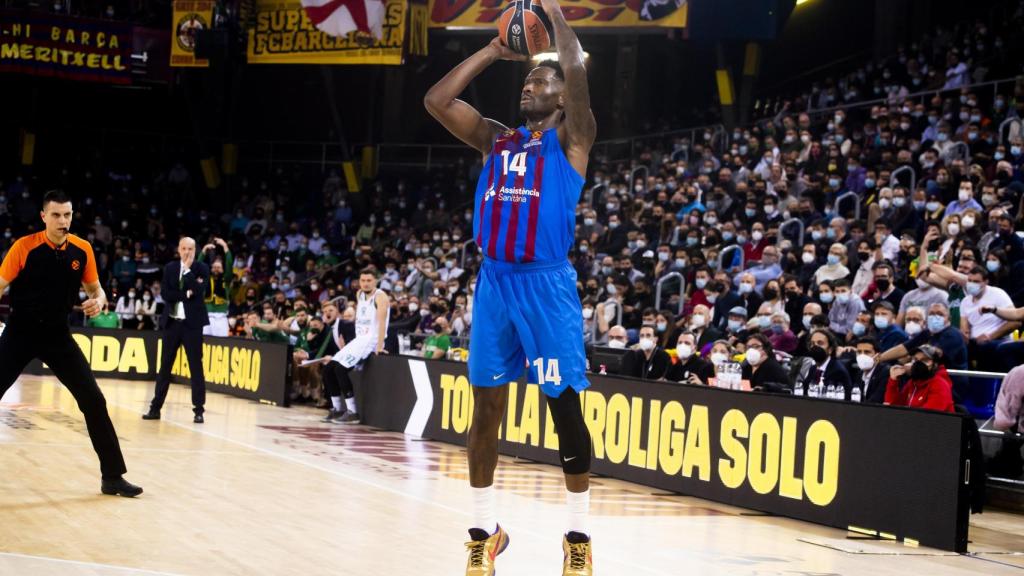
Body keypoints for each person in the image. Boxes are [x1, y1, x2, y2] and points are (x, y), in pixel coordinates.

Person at [424, 3, 597, 571]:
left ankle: (577, 541)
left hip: (546, 287)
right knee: (485, 411)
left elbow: (574, 66)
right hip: (496, 283)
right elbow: (437, 101)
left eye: (541, 79)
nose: (531, 83)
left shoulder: (574, 140)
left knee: (564, 409)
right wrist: (493, 50)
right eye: (527, 77)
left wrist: (549, 11)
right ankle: (483, 532)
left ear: (562, 97)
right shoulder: (497, 140)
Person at [0, 190, 142, 496]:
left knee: (94, 400)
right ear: (43, 217)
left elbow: (96, 290)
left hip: (57, 336)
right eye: (56, 215)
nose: (63, 220)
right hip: (19, 333)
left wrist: (99, 301)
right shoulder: (24, 247)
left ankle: (113, 476)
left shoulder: (82, 250)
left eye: (67, 214)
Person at [143, 237, 210, 424]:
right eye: (183, 248)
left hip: (192, 326)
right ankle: (155, 409)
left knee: (196, 368)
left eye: (190, 248)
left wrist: (188, 272)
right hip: (172, 324)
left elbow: (198, 290)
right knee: (164, 367)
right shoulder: (170, 268)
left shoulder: (201, 268)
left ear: (195, 250)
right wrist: (185, 294)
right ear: (178, 249)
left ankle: (198, 410)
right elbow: (166, 294)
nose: (187, 252)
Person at [323, 269, 390, 424]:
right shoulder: (359, 293)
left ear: (376, 281)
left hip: (370, 340)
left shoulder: (380, 297)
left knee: (340, 369)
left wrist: (379, 346)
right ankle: (336, 408)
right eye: (363, 280)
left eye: (369, 280)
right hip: (359, 339)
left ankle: (353, 412)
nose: (365, 283)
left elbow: (381, 323)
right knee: (328, 369)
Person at [885, 344, 955, 413]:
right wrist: (893, 381)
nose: (919, 363)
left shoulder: (940, 385)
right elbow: (893, 407)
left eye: (925, 360)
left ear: (935, 364)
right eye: (915, 359)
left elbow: (928, 416)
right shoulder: (913, 382)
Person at [797, 328, 852, 398]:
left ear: (830, 349)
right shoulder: (813, 368)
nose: (815, 346)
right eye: (812, 343)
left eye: (820, 343)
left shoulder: (838, 371)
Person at [199, 237, 233, 337]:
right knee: (204, 343)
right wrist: (204, 250)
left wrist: (225, 246)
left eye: (219, 267)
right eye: (214, 267)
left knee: (222, 343)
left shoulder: (226, 280)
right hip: (206, 315)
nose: (216, 269)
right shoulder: (206, 279)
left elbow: (229, 264)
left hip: (221, 317)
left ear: (223, 269)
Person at [853, 337, 890, 403]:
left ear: (877, 356)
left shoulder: (885, 373)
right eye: (859, 352)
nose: (862, 356)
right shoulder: (859, 373)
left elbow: (877, 401)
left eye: (867, 352)